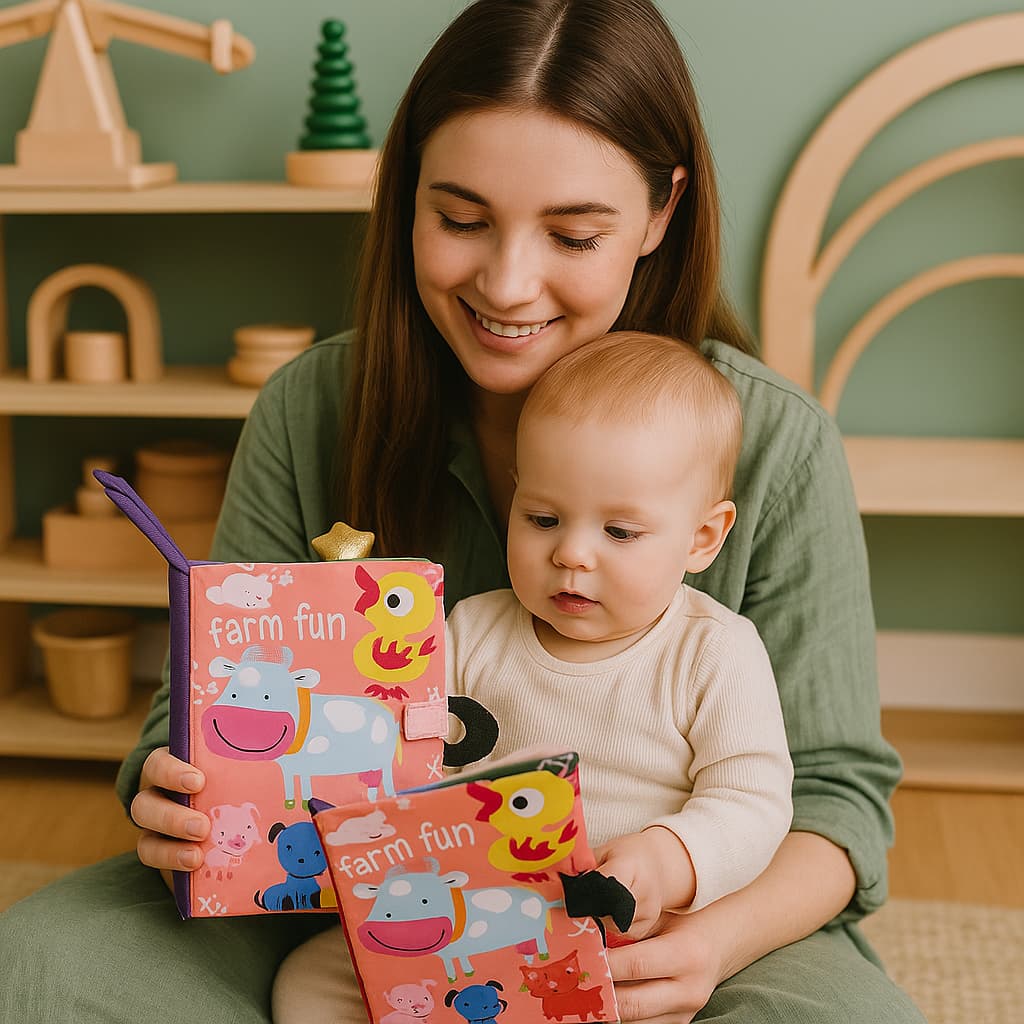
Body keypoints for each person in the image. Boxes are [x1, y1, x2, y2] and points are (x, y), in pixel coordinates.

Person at [0, 1, 925, 1022]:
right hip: (359, 895)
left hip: (673, 921)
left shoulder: (776, 441)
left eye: (573, 233)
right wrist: (178, 792)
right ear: (406, 200)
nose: (508, 282)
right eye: (460, 219)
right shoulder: (314, 407)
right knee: (38, 969)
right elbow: (202, 713)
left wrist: (701, 943)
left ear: (662, 210)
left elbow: (832, 799)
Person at [271, 330, 797, 1020]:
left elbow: (753, 800)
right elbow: (396, 746)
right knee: (309, 980)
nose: (572, 554)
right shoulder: (470, 630)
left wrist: (668, 861)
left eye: (620, 533)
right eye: (543, 518)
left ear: (703, 537)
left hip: (615, 941)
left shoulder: (714, 652)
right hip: (457, 917)